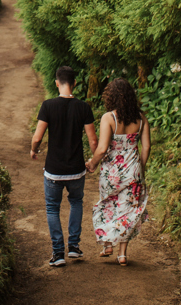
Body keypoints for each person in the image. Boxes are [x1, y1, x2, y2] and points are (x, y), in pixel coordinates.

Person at [31, 66, 97, 267]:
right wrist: (94, 160)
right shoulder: (84, 107)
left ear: (56, 83)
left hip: (54, 170)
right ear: (75, 83)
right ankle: (74, 247)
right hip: (76, 169)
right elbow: (94, 141)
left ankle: (58, 253)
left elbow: (38, 137)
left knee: (52, 208)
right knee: (76, 203)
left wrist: (34, 150)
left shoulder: (48, 106)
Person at [85, 77, 151, 267]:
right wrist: (140, 169)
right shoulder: (141, 118)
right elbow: (146, 147)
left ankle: (107, 245)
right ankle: (122, 254)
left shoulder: (109, 118)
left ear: (111, 97)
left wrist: (92, 163)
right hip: (133, 170)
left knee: (108, 205)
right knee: (127, 210)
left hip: (112, 172)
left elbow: (103, 148)